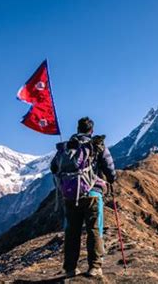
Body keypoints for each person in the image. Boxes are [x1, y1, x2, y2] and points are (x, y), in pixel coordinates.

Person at [50, 117, 116, 277]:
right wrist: (111, 178)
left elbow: (53, 167)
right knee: (93, 229)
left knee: (72, 232)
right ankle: (95, 267)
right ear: (91, 130)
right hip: (92, 193)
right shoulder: (96, 145)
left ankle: (70, 269)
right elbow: (109, 168)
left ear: (78, 129)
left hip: (71, 195)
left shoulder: (68, 147)